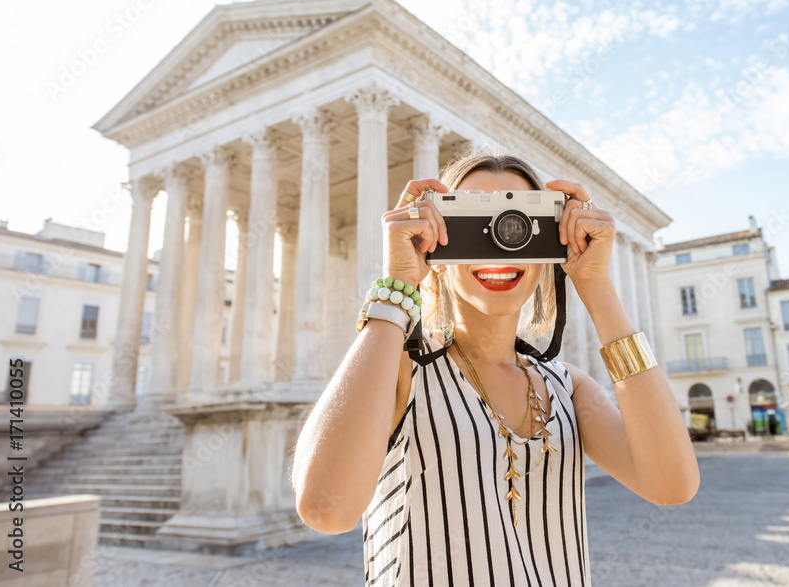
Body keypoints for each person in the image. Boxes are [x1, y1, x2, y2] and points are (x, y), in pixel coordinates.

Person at [290, 153, 700, 585]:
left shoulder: (566, 387)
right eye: (474, 221)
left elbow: (673, 484)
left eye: (519, 223)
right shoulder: (400, 372)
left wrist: (596, 286)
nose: (500, 241)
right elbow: (325, 508)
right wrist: (398, 284)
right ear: (437, 242)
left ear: (549, 241)